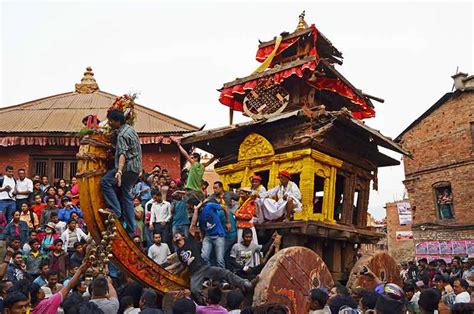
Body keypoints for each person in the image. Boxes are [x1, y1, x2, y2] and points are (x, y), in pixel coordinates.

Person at [173, 230, 253, 304]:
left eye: (177, 234)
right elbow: (184, 265)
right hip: (195, 273)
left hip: (204, 267)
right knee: (194, 290)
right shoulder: (179, 252)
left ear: (183, 236)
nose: (175, 236)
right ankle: (206, 305)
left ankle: (244, 283)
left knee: (225, 272)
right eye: (174, 236)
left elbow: (193, 224)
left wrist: (196, 213)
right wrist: (174, 272)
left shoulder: (189, 241)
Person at [100, 108, 142, 236]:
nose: (110, 123)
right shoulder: (131, 130)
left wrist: (119, 171)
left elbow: (123, 153)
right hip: (135, 169)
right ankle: (130, 228)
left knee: (105, 182)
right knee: (126, 195)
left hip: (127, 168)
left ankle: (116, 210)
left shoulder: (122, 135)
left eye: (111, 121)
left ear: (117, 121)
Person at [196, 198, 227, 269]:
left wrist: (228, 222)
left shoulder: (209, 206)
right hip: (208, 236)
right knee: (204, 257)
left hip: (218, 235)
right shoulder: (197, 214)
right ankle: (210, 274)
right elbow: (201, 228)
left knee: (220, 260)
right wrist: (202, 238)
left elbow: (224, 207)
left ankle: (223, 278)